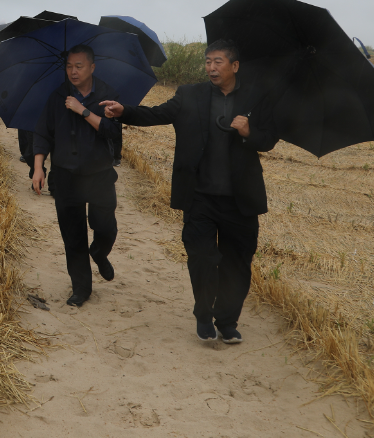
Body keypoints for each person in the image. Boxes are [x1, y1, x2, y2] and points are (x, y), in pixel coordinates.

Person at [100, 40, 277, 344]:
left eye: (218, 62)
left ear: (235, 66)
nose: (211, 67)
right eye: (208, 61)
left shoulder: (255, 98)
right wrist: (123, 111)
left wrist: (250, 132)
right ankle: (203, 313)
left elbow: (269, 139)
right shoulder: (190, 94)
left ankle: (227, 321)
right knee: (202, 257)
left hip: (240, 200)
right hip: (200, 196)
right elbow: (157, 114)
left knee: (237, 264)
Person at [32, 44, 122, 307]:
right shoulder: (58, 96)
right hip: (66, 176)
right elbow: (43, 133)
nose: (73, 71)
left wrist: (82, 110)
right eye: (69, 66)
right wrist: (38, 167)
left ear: (92, 67)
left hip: (99, 175)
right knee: (73, 235)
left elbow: (112, 131)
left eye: (79, 66)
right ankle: (81, 288)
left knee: (105, 227)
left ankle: (100, 252)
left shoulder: (107, 95)